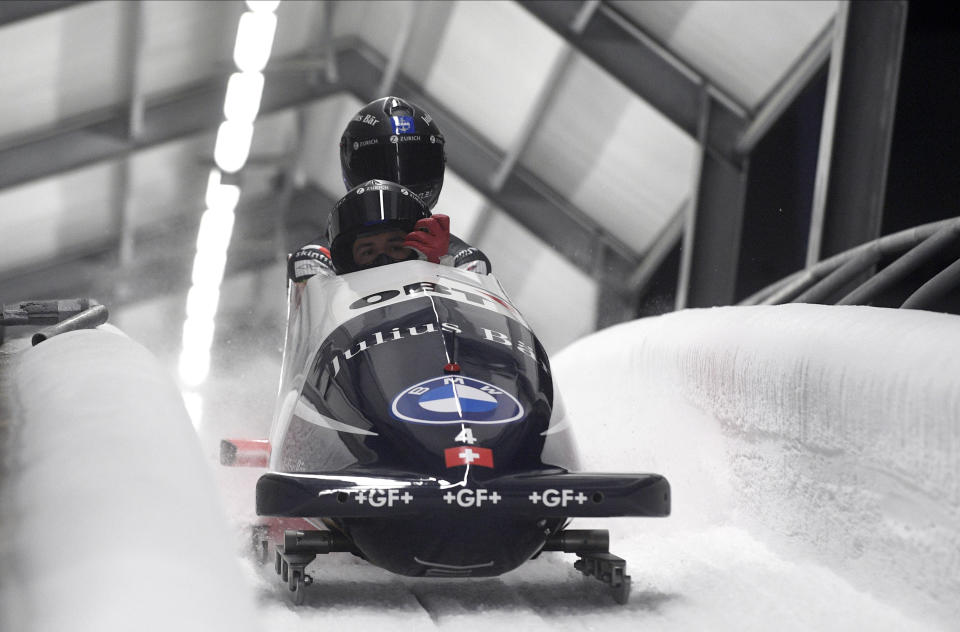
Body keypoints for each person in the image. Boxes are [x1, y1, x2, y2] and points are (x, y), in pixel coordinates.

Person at [287, 96, 491, 281]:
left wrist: (440, 264)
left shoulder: (467, 261)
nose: (398, 182)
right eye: (381, 165)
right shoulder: (314, 259)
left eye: (416, 165)